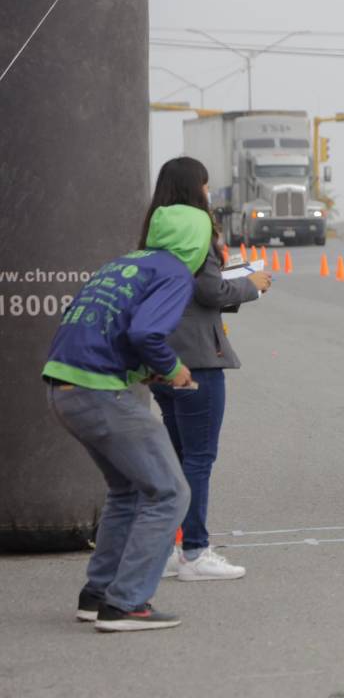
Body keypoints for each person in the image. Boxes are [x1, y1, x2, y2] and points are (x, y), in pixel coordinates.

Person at [43, 204, 211, 632]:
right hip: (99, 391)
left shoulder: (125, 264)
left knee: (127, 491)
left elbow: (109, 329)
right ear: (196, 240)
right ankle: (128, 603)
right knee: (171, 492)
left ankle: (97, 595)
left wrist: (143, 370)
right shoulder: (174, 272)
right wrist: (173, 369)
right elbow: (145, 333)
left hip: (64, 387)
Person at [141, 157, 271, 582]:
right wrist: (252, 285)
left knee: (178, 458)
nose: (209, 193)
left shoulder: (155, 230)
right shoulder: (200, 230)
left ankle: (169, 551)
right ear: (196, 188)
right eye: (206, 186)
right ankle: (196, 552)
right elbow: (210, 289)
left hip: (161, 352)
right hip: (199, 357)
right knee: (199, 459)